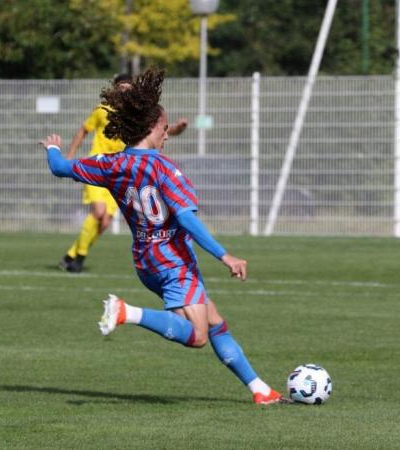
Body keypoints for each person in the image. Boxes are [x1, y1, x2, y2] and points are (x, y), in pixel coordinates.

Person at [41, 67, 288, 405]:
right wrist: (225, 255)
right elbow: (187, 219)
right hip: (174, 261)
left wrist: (53, 149)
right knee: (199, 336)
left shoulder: (111, 163)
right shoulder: (165, 169)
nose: (167, 134)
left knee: (214, 321)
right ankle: (127, 312)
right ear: (150, 128)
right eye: (164, 128)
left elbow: (59, 168)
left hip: (145, 261)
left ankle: (261, 391)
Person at [59, 73, 188, 273]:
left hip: (120, 173)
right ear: (115, 90)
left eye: (128, 89)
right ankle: (79, 258)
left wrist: (178, 128)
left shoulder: (135, 115)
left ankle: (72, 254)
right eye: (121, 88)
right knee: (99, 212)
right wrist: (69, 156)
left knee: (104, 223)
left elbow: (160, 131)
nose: (125, 92)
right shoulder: (101, 111)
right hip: (99, 168)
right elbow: (83, 131)